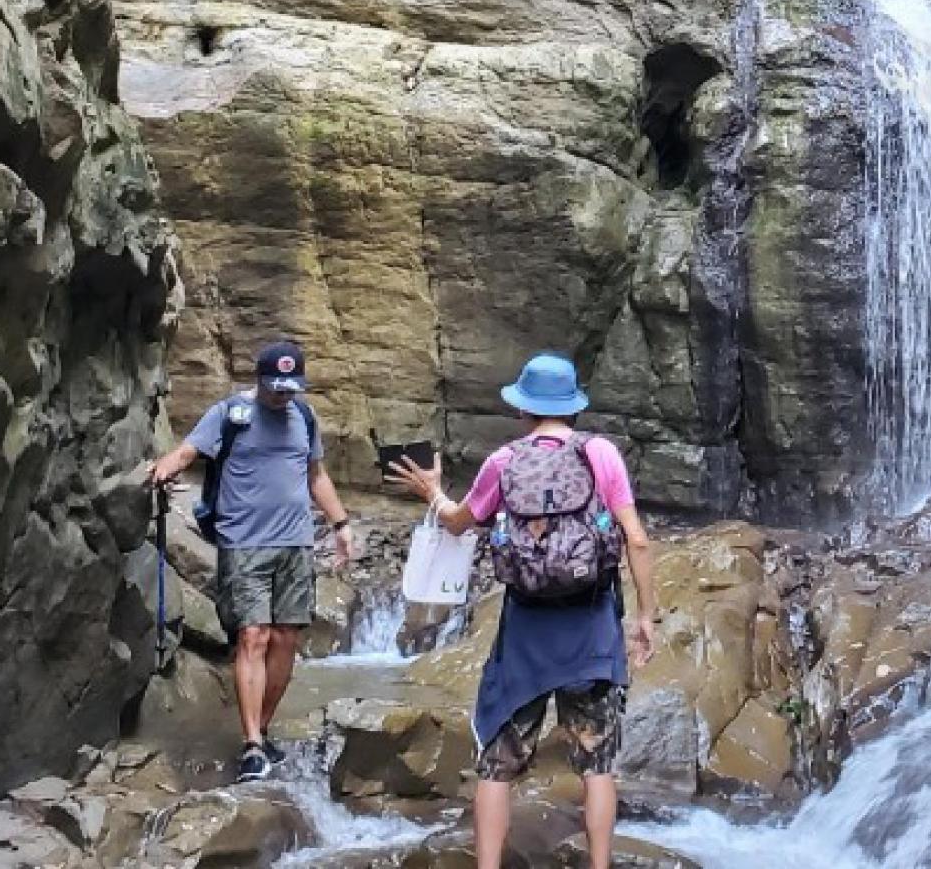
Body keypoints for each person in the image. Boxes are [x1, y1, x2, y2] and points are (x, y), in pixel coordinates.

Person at [388, 353, 658, 869]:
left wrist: (433, 491)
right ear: (574, 408)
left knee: (497, 765)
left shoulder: (504, 461)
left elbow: (459, 524)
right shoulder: (600, 454)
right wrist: (646, 617)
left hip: (525, 633)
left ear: (522, 411)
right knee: (597, 764)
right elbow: (637, 541)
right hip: (592, 626)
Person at [144, 340, 356, 783]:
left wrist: (340, 526)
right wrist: (164, 467)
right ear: (259, 379)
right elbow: (188, 452)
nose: (283, 395)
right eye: (276, 387)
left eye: (290, 387)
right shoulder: (229, 416)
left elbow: (316, 475)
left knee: (286, 639)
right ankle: (253, 745)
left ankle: (262, 727)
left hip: (296, 543)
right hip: (244, 544)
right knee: (253, 636)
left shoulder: (305, 417)